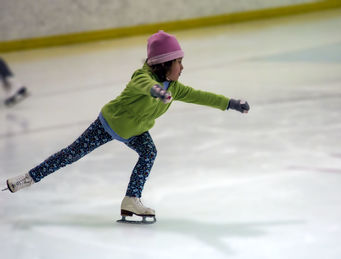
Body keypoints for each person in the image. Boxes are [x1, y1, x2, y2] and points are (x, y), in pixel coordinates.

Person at [3, 30, 250, 223]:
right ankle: (28, 178)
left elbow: (200, 95)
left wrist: (230, 103)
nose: (182, 67)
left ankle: (131, 199)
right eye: (178, 62)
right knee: (71, 155)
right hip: (109, 124)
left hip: (135, 131)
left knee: (149, 152)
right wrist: (155, 92)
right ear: (164, 64)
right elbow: (143, 85)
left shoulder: (174, 87)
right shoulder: (142, 77)